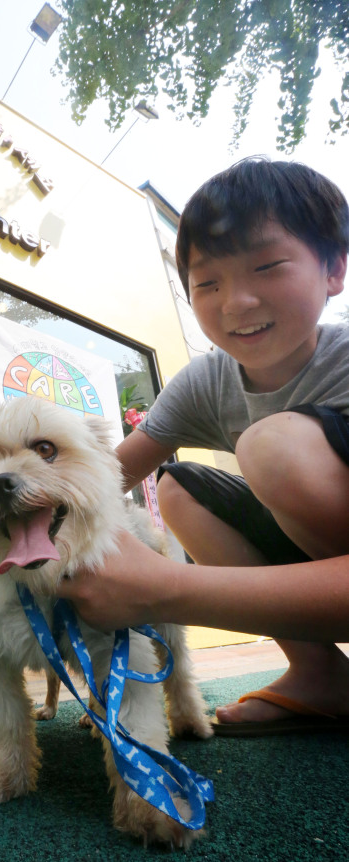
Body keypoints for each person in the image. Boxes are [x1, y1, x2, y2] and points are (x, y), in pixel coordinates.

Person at [57, 157, 349, 736]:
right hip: (312, 559)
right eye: (207, 282)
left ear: (334, 269)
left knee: (272, 447)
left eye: (267, 267)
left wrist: (163, 590)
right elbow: (102, 479)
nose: (235, 301)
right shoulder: (207, 382)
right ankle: (321, 674)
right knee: (177, 488)